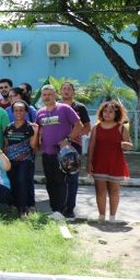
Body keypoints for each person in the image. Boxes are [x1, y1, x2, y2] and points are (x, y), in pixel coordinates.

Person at [36, 84, 82, 220]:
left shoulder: (65, 108)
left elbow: (79, 125)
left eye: (50, 94)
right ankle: (54, 209)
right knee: (50, 182)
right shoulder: (40, 113)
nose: (47, 97)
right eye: (44, 95)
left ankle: (61, 211)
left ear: (55, 94)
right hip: (47, 153)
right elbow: (39, 131)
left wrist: (68, 139)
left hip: (63, 155)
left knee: (62, 182)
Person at [87, 101, 132, 223]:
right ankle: (101, 216)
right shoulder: (96, 127)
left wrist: (126, 145)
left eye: (111, 112)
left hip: (116, 163)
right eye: (105, 111)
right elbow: (91, 147)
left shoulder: (121, 128)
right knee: (100, 191)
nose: (107, 114)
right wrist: (89, 164)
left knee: (114, 190)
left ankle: (113, 217)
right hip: (99, 163)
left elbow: (129, 144)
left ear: (117, 114)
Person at [59, 81, 92, 220]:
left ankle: (70, 209)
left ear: (73, 92)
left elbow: (87, 127)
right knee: (58, 179)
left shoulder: (80, 107)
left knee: (72, 179)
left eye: (69, 89)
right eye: (64, 89)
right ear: (60, 92)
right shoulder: (56, 107)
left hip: (73, 148)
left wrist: (75, 136)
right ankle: (58, 207)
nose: (66, 91)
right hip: (57, 146)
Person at [3, 101, 39, 216]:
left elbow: (33, 146)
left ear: (25, 112)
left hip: (25, 161)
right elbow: (6, 145)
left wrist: (36, 133)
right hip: (10, 161)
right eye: (16, 110)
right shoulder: (9, 127)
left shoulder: (30, 127)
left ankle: (23, 209)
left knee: (22, 182)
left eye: (21, 110)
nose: (19, 112)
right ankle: (12, 206)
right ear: (13, 112)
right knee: (12, 182)